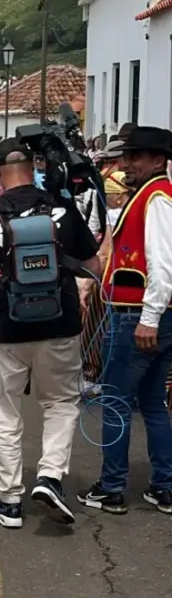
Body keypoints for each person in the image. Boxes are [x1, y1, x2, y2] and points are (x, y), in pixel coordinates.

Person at [0, 136, 100, 529]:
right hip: (60, 325)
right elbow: (93, 266)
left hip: (6, 328)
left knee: (4, 410)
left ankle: (9, 499)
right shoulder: (63, 209)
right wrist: (78, 289)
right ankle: (51, 476)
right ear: (33, 166)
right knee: (60, 402)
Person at [79, 126, 172, 517]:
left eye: (136, 157)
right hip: (148, 316)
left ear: (158, 161)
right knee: (152, 403)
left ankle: (113, 487)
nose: (127, 164)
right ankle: (164, 486)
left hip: (140, 317)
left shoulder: (157, 199)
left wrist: (149, 318)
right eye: (126, 157)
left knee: (116, 401)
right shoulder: (149, 196)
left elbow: (163, 264)